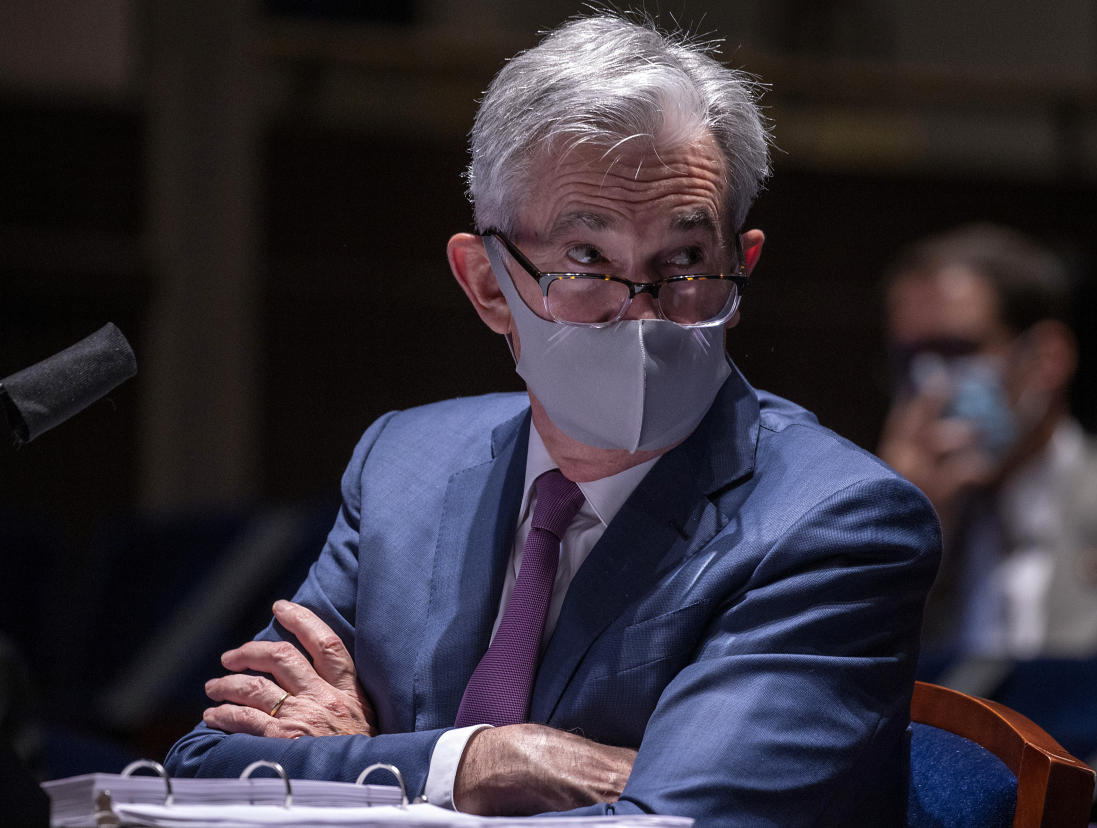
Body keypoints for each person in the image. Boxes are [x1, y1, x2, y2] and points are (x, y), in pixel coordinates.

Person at [163, 13, 939, 823]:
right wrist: (473, 761)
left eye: (683, 263)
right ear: (489, 285)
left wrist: (361, 773)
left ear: (739, 269)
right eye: (587, 261)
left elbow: (673, 824)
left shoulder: (834, 522)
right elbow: (210, 767)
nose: (643, 314)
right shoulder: (407, 463)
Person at [877, 222, 1097, 745]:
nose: (931, 385)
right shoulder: (881, 515)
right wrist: (902, 531)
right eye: (910, 358)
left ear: (1047, 359)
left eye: (959, 350)